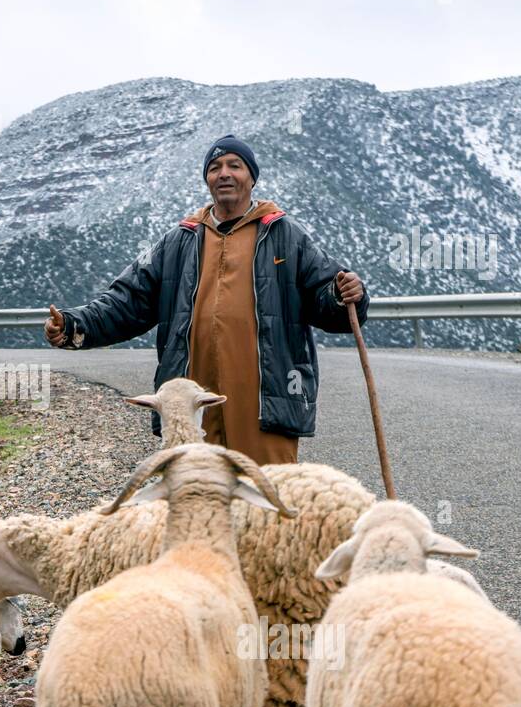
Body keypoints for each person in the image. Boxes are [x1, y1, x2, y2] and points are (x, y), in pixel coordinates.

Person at [44, 134, 368, 464]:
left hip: (263, 401)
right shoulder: (180, 241)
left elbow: (328, 298)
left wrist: (343, 296)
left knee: (268, 499)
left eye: (234, 166)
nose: (224, 173)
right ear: (207, 180)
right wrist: (74, 325)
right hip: (191, 406)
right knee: (196, 496)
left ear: (251, 178)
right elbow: (128, 301)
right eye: (214, 168)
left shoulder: (285, 235)